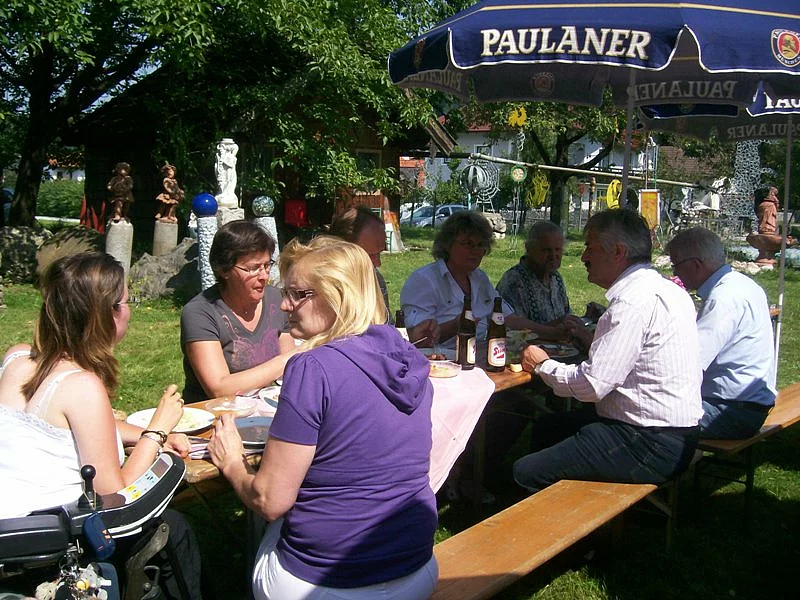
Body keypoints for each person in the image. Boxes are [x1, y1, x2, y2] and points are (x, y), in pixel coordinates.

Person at [207, 236, 437, 599]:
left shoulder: (312, 368)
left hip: (325, 584)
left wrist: (232, 463)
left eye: (298, 294)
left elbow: (270, 501)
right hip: (416, 570)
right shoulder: (408, 357)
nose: (284, 305)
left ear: (338, 295)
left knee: (270, 523)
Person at [0, 252, 201, 599]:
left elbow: (59, 426)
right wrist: (158, 430)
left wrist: (139, 435)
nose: (130, 310)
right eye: (126, 302)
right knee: (176, 529)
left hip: (11, 533)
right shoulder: (82, 385)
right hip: (52, 548)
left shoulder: (18, 359)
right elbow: (115, 492)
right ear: (107, 314)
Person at [515, 209, 703, 493]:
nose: (583, 257)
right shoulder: (665, 289)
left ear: (618, 252)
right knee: (548, 428)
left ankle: (557, 517)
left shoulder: (631, 302)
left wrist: (542, 365)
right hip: (677, 433)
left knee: (525, 472)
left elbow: (593, 386)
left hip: (650, 441)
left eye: (589, 247)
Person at [667, 227, 777, 439]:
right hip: (750, 403)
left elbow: (689, 364)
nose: (675, 273)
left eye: (676, 265)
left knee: (644, 414)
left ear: (696, 265)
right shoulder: (742, 283)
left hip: (731, 411)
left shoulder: (722, 298)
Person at [181, 220, 298, 403]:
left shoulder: (276, 300)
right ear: (224, 270)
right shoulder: (200, 313)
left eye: (267, 265)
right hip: (213, 414)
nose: (264, 276)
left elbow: (290, 373)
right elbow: (219, 388)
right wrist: (286, 360)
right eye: (253, 268)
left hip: (264, 408)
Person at [400, 210, 540, 349]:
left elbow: (508, 318)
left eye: (480, 245)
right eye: (467, 243)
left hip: (482, 354)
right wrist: (456, 326)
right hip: (440, 359)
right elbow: (417, 339)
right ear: (448, 244)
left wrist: (549, 331)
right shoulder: (424, 280)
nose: (475, 250)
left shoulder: (480, 278)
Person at [496, 220, 571, 340]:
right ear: (529, 249)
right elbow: (515, 332)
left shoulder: (556, 278)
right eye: (546, 250)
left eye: (557, 250)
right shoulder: (515, 282)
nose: (553, 256)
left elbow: (566, 315)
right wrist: (554, 329)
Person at [329, 206, 391, 323]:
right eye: (370, 255)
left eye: (379, 253)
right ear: (341, 250)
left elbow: (385, 326)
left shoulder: (375, 279)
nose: (378, 263)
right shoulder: (316, 285)